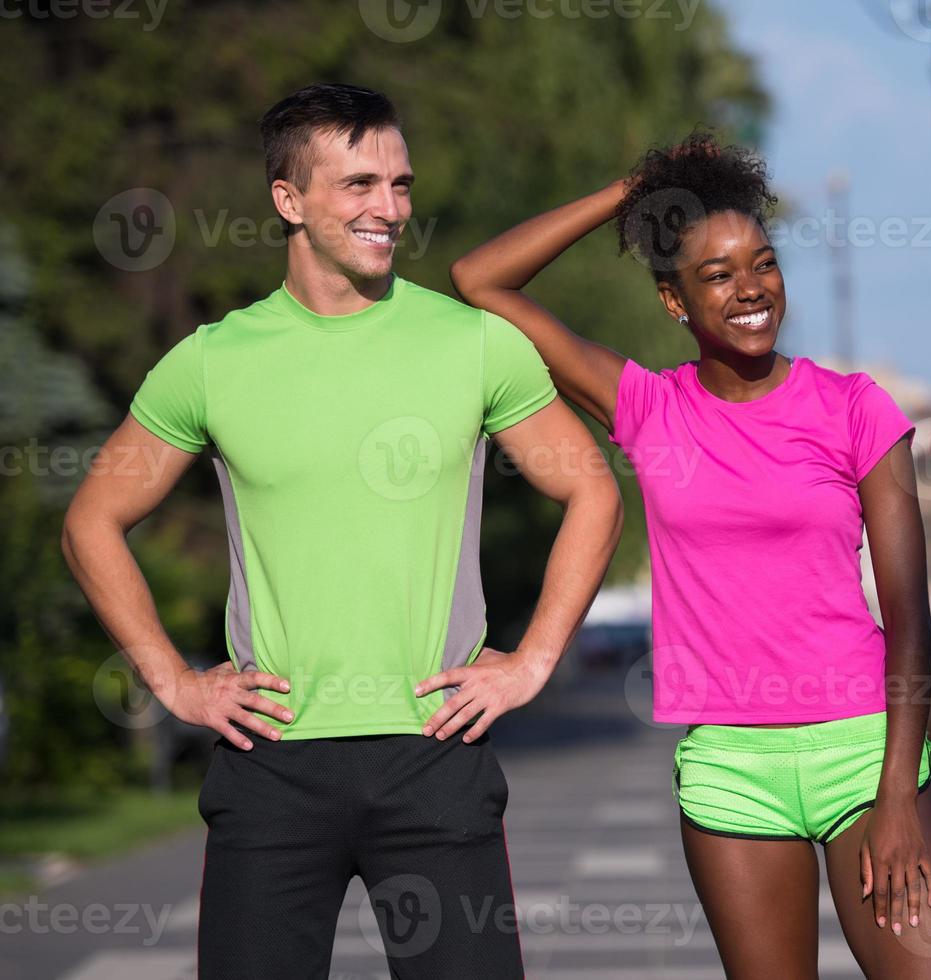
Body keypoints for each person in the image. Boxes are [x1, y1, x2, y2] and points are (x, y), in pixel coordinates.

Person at [60, 82, 623, 979]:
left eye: (399, 184)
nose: (389, 208)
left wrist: (533, 661)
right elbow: (93, 519)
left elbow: (593, 491)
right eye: (359, 185)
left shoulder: (473, 342)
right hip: (270, 763)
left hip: (435, 755)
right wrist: (176, 683)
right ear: (289, 200)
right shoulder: (212, 361)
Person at [451, 134, 931, 978]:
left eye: (762, 264)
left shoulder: (854, 410)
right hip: (733, 770)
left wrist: (899, 796)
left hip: (863, 751)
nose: (750, 289)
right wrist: (636, 192)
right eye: (718, 275)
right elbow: (480, 280)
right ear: (674, 301)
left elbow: (909, 621)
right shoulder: (649, 409)